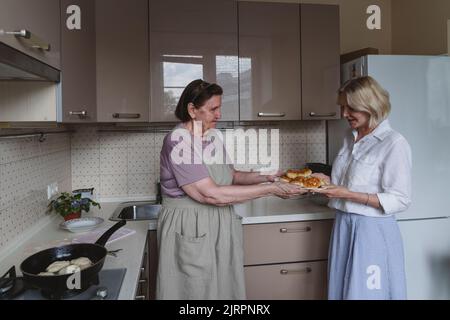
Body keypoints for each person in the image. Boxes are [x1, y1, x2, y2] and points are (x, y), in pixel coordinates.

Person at [156, 79, 304, 300]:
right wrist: (271, 189)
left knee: (224, 289)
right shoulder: (179, 142)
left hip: (219, 221)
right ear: (192, 110)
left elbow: (231, 175)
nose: (219, 115)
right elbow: (210, 194)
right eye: (213, 109)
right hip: (190, 225)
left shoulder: (211, 137)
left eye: (219, 108)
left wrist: (269, 176)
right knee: (194, 293)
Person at [314, 76, 411, 300]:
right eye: (343, 107)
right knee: (341, 290)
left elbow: (400, 199)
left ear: (371, 106)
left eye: (351, 108)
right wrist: (325, 180)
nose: (344, 114)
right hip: (344, 224)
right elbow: (353, 180)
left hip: (371, 230)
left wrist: (348, 194)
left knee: (368, 294)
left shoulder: (393, 143)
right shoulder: (350, 137)